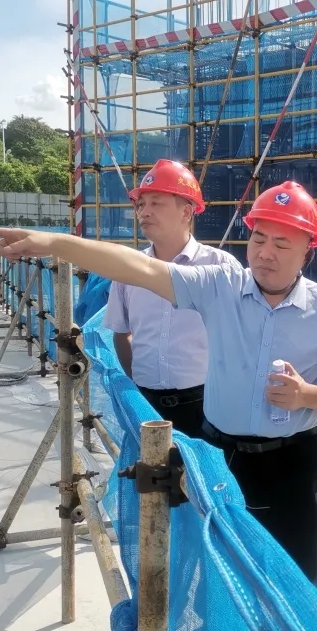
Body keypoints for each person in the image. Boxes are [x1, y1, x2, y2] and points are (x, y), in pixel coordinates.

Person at [0, 178, 317, 595]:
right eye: (258, 238)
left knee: (301, 575)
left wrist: (307, 395)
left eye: (281, 243)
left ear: (308, 249)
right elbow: (140, 268)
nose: (264, 253)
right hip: (222, 457)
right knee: (222, 574)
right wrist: (53, 243)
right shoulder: (219, 286)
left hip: (294, 462)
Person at [103, 159, 236, 438]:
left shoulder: (220, 267)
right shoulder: (129, 269)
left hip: (207, 406)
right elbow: (121, 333)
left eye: (156, 203)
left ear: (186, 211)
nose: (144, 212)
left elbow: (240, 334)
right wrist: (139, 381)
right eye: (141, 204)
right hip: (145, 406)